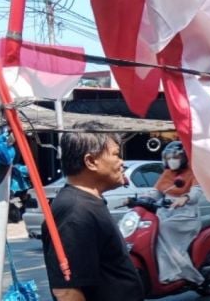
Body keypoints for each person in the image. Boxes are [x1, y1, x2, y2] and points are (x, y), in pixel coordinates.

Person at [41, 121, 144, 301]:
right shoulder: (75, 211)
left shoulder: (88, 203)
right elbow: (67, 292)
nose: (122, 162)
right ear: (90, 161)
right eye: (115, 155)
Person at [152, 140, 205, 284]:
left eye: (175, 157)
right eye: (169, 158)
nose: (172, 161)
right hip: (166, 212)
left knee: (163, 229)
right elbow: (156, 192)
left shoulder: (193, 172)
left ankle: (180, 273)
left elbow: (196, 192)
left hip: (186, 215)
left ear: (184, 158)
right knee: (152, 229)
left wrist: (185, 197)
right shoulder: (167, 173)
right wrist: (137, 199)